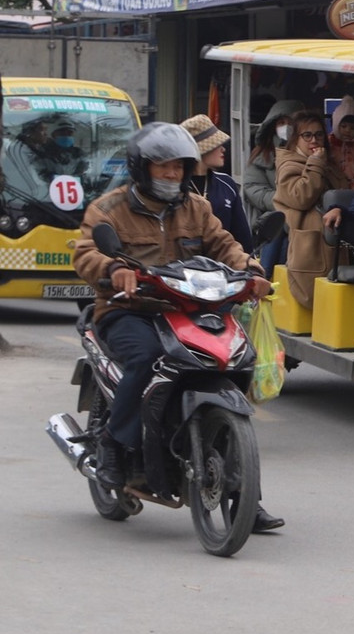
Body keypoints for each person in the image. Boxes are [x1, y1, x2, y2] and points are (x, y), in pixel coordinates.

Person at [72, 123, 273, 498]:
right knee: (148, 356)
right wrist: (114, 270)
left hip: (188, 309)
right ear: (140, 168)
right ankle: (115, 446)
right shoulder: (109, 209)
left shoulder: (197, 207)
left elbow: (224, 244)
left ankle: (245, 496)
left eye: (178, 167)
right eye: (162, 166)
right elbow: (85, 253)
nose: (171, 174)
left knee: (238, 360)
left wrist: (252, 270)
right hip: (130, 309)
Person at [177, 113, 284, 532]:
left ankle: (246, 502)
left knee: (234, 389)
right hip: (169, 303)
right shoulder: (168, 193)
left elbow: (238, 243)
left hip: (218, 304)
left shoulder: (224, 189)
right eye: (215, 144)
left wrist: (253, 271)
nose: (223, 149)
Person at [273, 111, 349, 309]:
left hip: (333, 240)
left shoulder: (327, 164)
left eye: (319, 135)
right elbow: (302, 196)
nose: (314, 140)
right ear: (295, 139)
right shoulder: (289, 165)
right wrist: (315, 163)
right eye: (307, 135)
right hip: (310, 246)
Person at [244, 99, 305, 267]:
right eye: (281, 122)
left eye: (290, 122)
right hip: (272, 218)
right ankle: (266, 273)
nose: (286, 127)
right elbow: (253, 189)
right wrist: (286, 201)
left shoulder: (309, 152)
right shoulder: (261, 157)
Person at [180, 114, 252, 250]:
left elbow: (242, 237)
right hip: (184, 268)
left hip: (226, 265)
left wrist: (250, 264)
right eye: (216, 144)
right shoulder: (175, 187)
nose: (223, 149)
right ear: (201, 149)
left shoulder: (227, 184)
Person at [329, 95, 354, 190]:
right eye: (343, 126)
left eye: (352, 128)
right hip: (338, 187)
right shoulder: (329, 143)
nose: (347, 130)